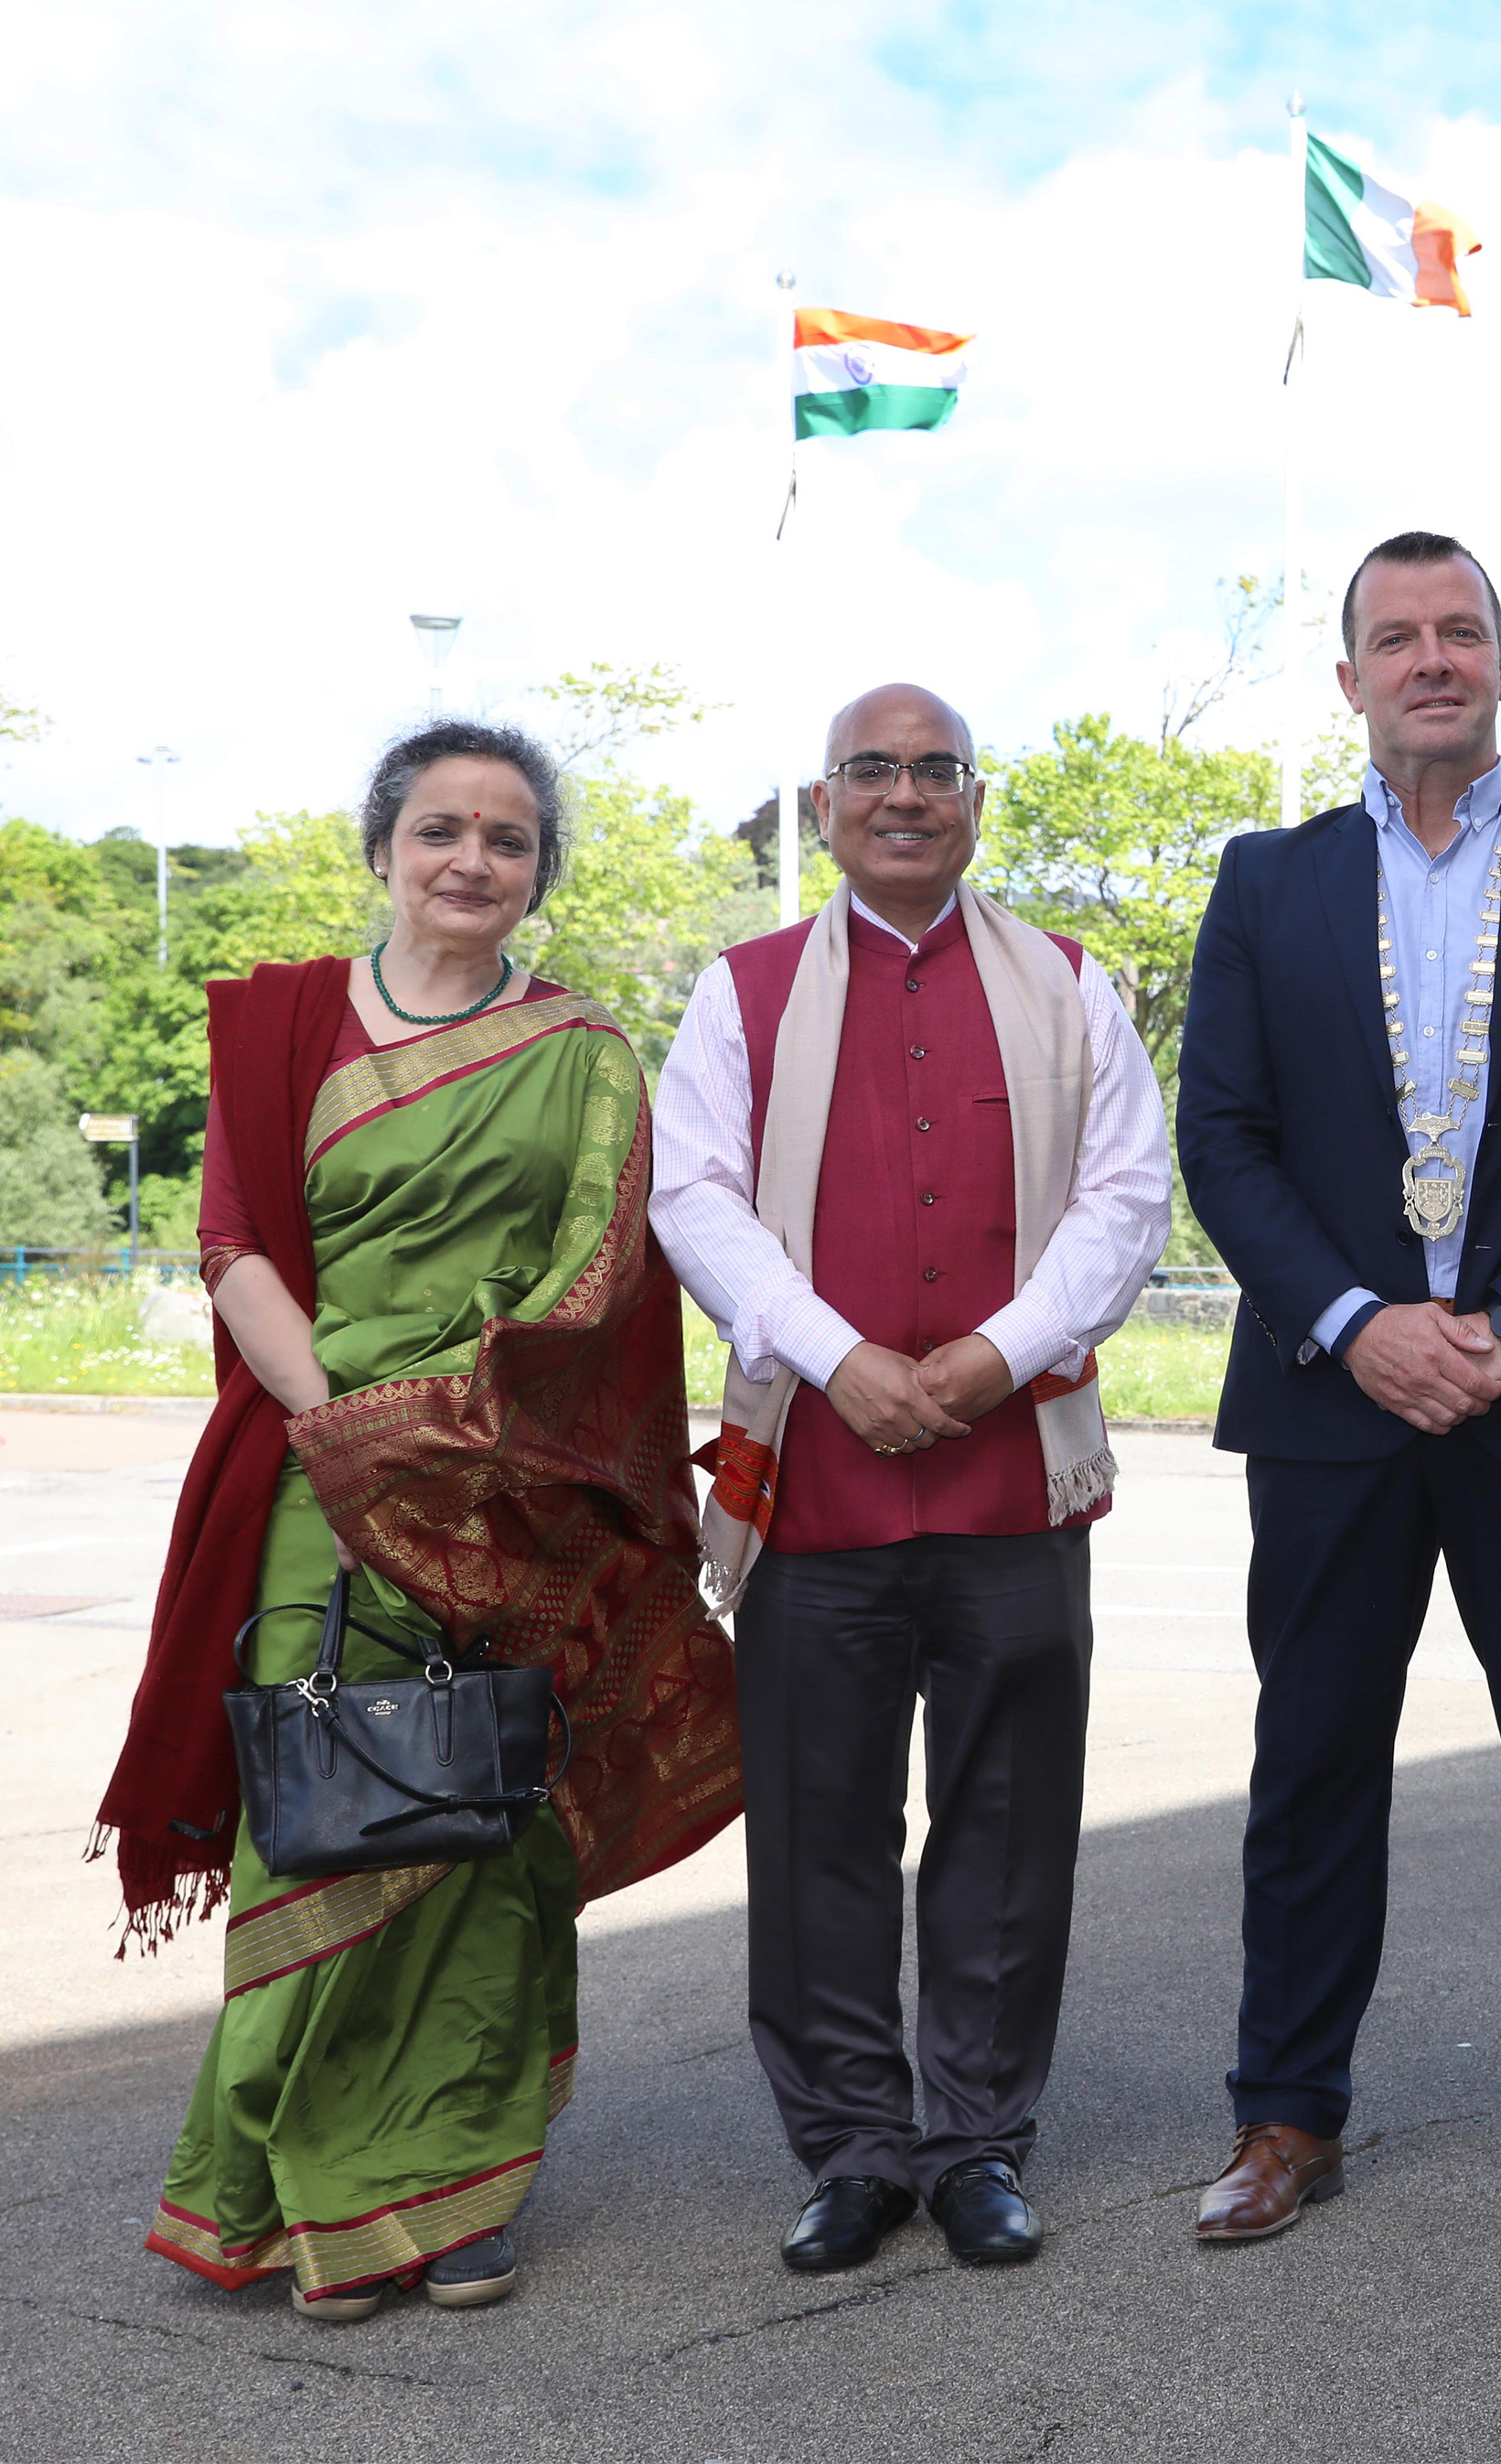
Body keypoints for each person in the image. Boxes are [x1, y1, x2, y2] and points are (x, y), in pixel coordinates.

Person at [98, 719, 744, 2323]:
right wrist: (341, 1419)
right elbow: (235, 1237)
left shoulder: (585, 1049)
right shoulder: (288, 1025)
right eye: (442, 828)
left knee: (477, 1822)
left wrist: (453, 1433)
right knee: (319, 1808)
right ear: (384, 844)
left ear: (539, 871)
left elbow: (595, 1281)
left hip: (499, 1481)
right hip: (321, 1473)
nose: (473, 859)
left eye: (509, 838)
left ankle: (457, 2186)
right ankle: (294, 2189)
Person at [1174, 532, 1501, 2244]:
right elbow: (1225, 1141)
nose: (1428, 661)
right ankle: (1284, 2114)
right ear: (1347, 680)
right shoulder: (1265, 881)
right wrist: (1356, 1317)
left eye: (1458, 632)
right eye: (1393, 639)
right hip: (1334, 1399)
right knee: (1312, 1762)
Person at [650, 683, 1169, 2276]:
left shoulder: (1073, 986)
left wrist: (993, 1358)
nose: (902, 795)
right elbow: (694, 1197)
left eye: (933, 770)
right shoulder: (738, 993)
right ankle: (854, 2147)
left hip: (1015, 1475)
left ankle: (978, 2140)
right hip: (817, 1479)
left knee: (1008, 1823)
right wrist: (838, 1356)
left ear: (974, 801)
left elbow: (1125, 1198)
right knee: (818, 1828)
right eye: (869, 771)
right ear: (822, 806)